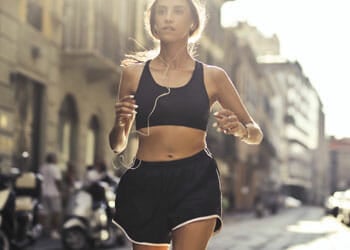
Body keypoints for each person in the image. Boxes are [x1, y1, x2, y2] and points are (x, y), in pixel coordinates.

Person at [108, 0, 263, 249]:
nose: (168, 17)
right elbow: (117, 144)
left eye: (178, 11)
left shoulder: (214, 76)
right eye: (162, 11)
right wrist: (120, 122)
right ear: (153, 22)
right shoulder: (133, 75)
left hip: (196, 179)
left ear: (193, 22)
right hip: (145, 180)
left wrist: (241, 129)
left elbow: (256, 133)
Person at [39, 152, 62, 239]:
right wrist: (60, 191)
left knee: (43, 212)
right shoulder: (55, 168)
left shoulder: (42, 168)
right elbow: (57, 181)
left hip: (44, 192)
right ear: (53, 159)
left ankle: (41, 230)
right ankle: (54, 231)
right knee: (56, 212)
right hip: (54, 193)